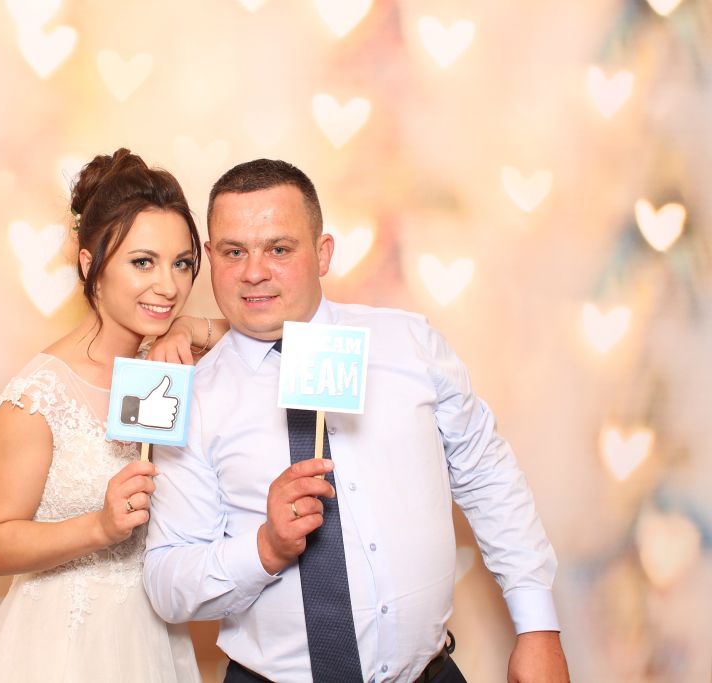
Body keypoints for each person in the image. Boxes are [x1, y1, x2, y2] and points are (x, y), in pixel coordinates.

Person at [143, 159, 571, 683]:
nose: (254, 272)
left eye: (279, 249)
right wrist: (265, 547)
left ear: (323, 253)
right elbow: (167, 583)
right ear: (211, 258)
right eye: (235, 252)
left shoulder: (408, 344)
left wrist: (538, 627)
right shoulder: (190, 397)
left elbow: (488, 478)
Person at [0, 149, 216, 682]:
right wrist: (99, 527)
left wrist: (188, 328)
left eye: (182, 263)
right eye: (143, 262)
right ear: (90, 265)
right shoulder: (38, 396)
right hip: (64, 647)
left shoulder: (170, 364)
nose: (169, 286)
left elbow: (269, 336)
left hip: (155, 637)